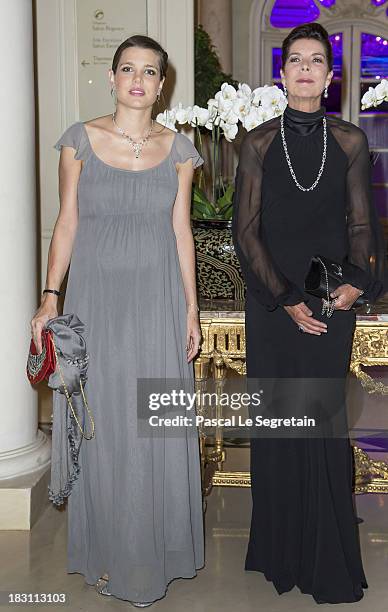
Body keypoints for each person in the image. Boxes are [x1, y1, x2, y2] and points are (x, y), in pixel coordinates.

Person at [30, 35, 205, 607]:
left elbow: (182, 234)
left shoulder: (180, 151)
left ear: (162, 84)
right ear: (111, 77)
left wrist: (192, 308)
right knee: (102, 426)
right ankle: (108, 551)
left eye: (149, 71)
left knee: (149, 424)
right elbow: (66, 222)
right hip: (98, 303)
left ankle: (151, 552)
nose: (137, 79)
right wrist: (50, 295)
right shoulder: (80, 140)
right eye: (127, 69)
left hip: (157, 303)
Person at [232, 22, 386, 605]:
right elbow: (245, 233)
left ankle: (325, 552)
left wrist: (355, 285)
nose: (304, 69)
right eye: (294, 59)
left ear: (328, 75)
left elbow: (362, 225)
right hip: (274, 302)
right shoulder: (257, 142)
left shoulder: (349, 141)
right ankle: (277, 547)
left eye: (315, 60)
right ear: (282, 72)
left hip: (331, 301)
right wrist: (286, 299)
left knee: (322, 424)